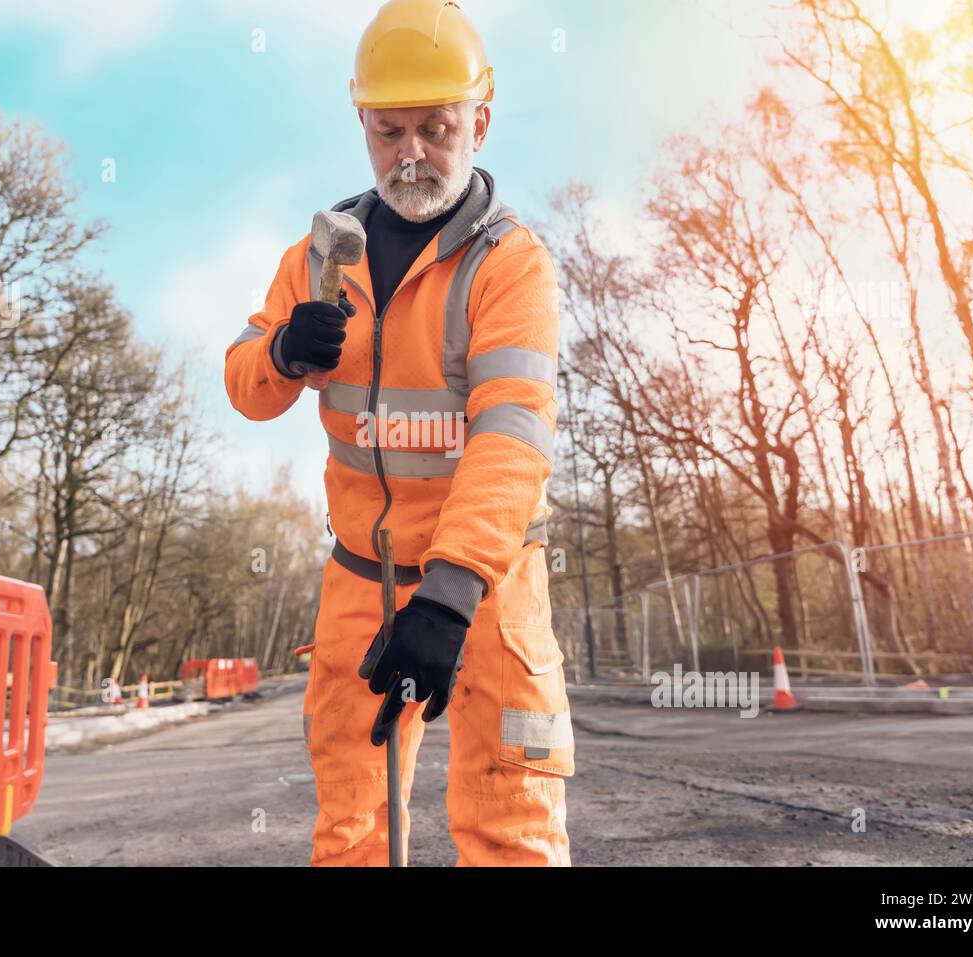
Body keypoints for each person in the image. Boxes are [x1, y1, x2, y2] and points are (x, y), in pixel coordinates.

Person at [224, 0, 572, 866]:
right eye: (389, 131)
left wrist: (448, 596)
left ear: (479, 122)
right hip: (360, 580)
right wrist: (281, 351)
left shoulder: (511, 265)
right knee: (353, 829)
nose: (410, 152)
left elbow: (511, 438)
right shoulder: (316, 256)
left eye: (435, 127)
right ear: (363, 125)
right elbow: (245, 386)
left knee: (510, 821)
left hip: (488, 589)